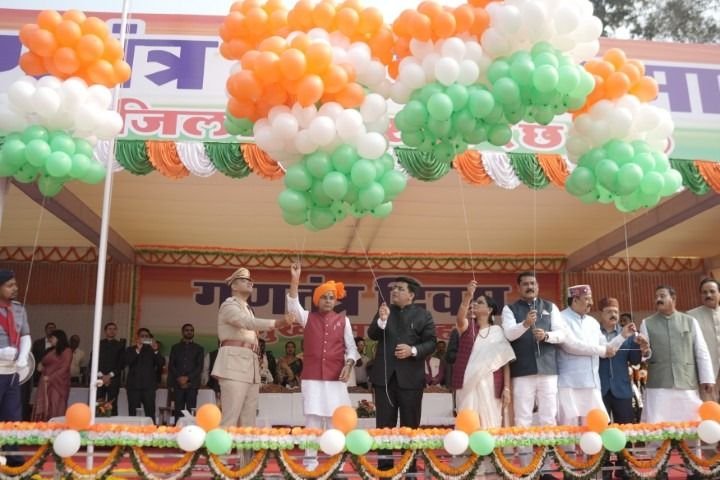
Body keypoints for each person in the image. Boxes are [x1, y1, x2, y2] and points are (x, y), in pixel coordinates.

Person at [211, 267, 293, 465]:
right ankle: (220, 464)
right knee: (230, 417)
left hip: (250, 365)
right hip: (233, 365)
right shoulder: (228, 305)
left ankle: (247, 466)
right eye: (244, 280)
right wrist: (278, 323)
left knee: (248, 421)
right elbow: (247, 323)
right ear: (233, 285)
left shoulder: (247, 307)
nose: (250, 282)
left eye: (250, 280)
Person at [286, 263, 360, 470]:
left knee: (335, 420)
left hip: (336, 378)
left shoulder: (343, 321)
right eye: (324, 297)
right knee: (313, 420)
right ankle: (310, 461)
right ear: (317, 300)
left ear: (336, 301)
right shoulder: (308, 317)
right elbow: (293, 306)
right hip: (312, 378)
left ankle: (336, 461)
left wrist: (349, 364)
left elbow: (352, 348)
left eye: (331, 297)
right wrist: (295, 280)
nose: (328, 300)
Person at [368, 276, 436, 472]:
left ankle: (409, 468)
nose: (395, 291)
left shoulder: (423, 315)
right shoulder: (384, 311)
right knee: (384, 426)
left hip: (411, 379)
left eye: (400, 288)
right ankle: (385, 469)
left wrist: (412, 350)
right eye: (394, 288)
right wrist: (381, 320)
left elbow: (431, 343)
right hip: (385, 379)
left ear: (411, 295)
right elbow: (372, 334)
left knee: (410, 426)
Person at [557, 285, 635, 427]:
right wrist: (601, 350)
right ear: (575, 300)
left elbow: (607, 349)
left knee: (592, 427)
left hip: (592, 384)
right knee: (568, 428)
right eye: (587, 299)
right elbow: (570, 345)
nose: (591, 303)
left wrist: (623, 336)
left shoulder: (592, 322)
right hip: (569, 383)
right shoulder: (561, 318)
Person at [640, 285, 714, 423]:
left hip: (686, 381)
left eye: (662, 296)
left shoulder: (690, 321)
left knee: (691, 423)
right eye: (656, 297)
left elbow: (701, 350)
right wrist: (644, 351)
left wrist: (707, 378)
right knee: (657, 424)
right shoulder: (647, 323)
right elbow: (646, 355)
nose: (658, 299)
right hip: (659, 383)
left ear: (673, 298)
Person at [501, 271, 566, 428]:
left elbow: (563, 334)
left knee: (549, 415)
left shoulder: (550, 307)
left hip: (548, 369)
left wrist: (546, 336)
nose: (529, 287)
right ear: (518, 288)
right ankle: (524, 445)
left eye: (532, 283)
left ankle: (549, 444)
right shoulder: (510, 309)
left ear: (538, 286)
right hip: (523, 370)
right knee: (522, 417)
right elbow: (509, 334)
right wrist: (525, 324)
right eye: (525, 284)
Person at [454, 280, 515, 428]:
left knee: (490, 423)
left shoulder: (498, 332)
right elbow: (460, 318)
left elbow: (505, 362)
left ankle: (489, 443)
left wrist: (507, 388)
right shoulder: (467, 327)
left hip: (491, 383)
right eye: (474, 302)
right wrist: (468, 296)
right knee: (468, 420)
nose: (475, 304)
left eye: (480, 302)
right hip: (467, 382)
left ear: (489, 310)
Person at [0, 270, 32, 466]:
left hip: (12, 372)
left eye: (15, 285)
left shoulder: (19, 309)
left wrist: (23, 356)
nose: (15, 288)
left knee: (12, 415)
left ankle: (13, 457)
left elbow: (25, 335)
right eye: (9, 285)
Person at [598, 297, 643, 425]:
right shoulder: (593, 332)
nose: (613, 315)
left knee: (626, 430)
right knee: (601, 429)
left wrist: (638, 345)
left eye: (616, 312)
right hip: (600, 389)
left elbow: (635, 362)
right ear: (601, 314)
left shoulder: (628, 334)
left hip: (622, 389)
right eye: (609, 312)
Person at [687, 278, 720, 401]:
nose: (708, 295)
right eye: (704, 292)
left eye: (712, 291)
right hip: (707, 374)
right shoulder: (691, 316)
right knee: (710, 408)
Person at [125, 328, 165, 422]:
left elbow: (161, 363)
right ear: (137, 337)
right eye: (142, 336)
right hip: (133, 387)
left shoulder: (153, 350)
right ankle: (133, 430)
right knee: (133, 413)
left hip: (149, 387)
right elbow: (126, 362)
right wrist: (137, 350)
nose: (144, 338)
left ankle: (151, 430)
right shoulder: (131, 349)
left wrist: (156, 350)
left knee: (150, 413)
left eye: (146, 336)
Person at [32, 329, 72, 421]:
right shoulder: (50, 350)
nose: (50, 340)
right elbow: (44, 363)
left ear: (59, 338)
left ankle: (55, 424)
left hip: (58, 383)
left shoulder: (67, 351)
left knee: (55, 403)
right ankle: (43, 425)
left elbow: (65, 367)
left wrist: (50, 378)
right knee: (46, 404)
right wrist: (40, 365)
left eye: (52, 338)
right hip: (45, 381)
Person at [168, 323, 204, 421]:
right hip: (177, 383)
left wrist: (187, 378)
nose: (189, 332)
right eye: (187, 330)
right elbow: (171, 365)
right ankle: (177, 428)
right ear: (182, 332)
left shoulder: (199, 348)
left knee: (191, 410)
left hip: (192, 384)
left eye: (191, 330)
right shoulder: (175, 348)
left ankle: (190, 428)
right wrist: (179, 378)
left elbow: (199, 367)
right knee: (178, 410)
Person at [97, 322, 125, 415]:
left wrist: (109, 376)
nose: (112, 331)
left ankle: (112, 422)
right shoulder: (99, 343)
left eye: (114, 329)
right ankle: (97, 421)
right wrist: (102, 376)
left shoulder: (120, 345)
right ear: (105, 331)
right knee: (98, 402)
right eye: (110, 329)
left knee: (112, 403)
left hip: (114, 379)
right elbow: (93, 361)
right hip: (99, 378)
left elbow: (121, 363)